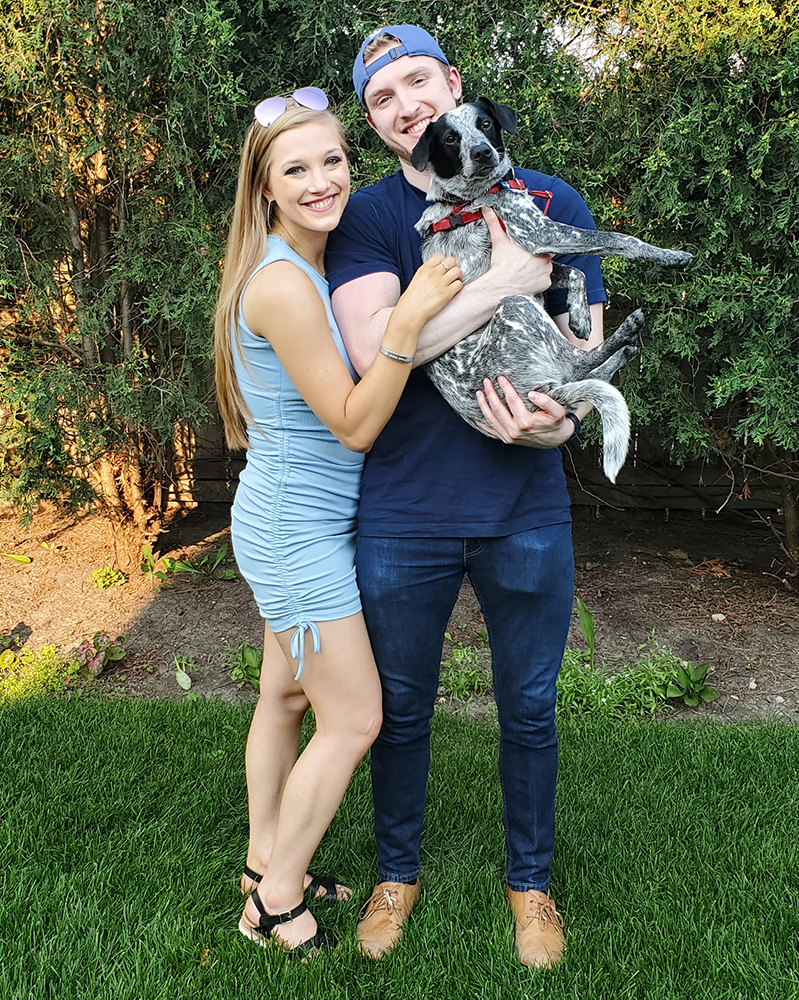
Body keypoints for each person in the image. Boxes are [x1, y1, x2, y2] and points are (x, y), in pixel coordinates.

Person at [325, 26, 608, 969]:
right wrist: (505, 281)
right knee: (400, 710)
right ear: (374, 127)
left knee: (529, 709)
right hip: (403, 512)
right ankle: (395, 876)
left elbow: (578, 355)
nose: (405, 105)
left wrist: (562, 425)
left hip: (524, 506)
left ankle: (530, 887)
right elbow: (375, 360)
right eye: (381, 100)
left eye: (416, 82)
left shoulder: (549, 200)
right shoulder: (366, 220)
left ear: (453, 83)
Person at [213, 88, 462, 958]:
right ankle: (275, 905)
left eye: (332, 161)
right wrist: (411, 313)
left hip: (295, 520)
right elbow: (355, 422)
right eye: (297, 168)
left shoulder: (307, 265)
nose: (322, 181)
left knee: (284, 696)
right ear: (265, 188)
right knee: (355, 716)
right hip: (295, 534)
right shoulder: (283, 285)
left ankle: (260, 861)